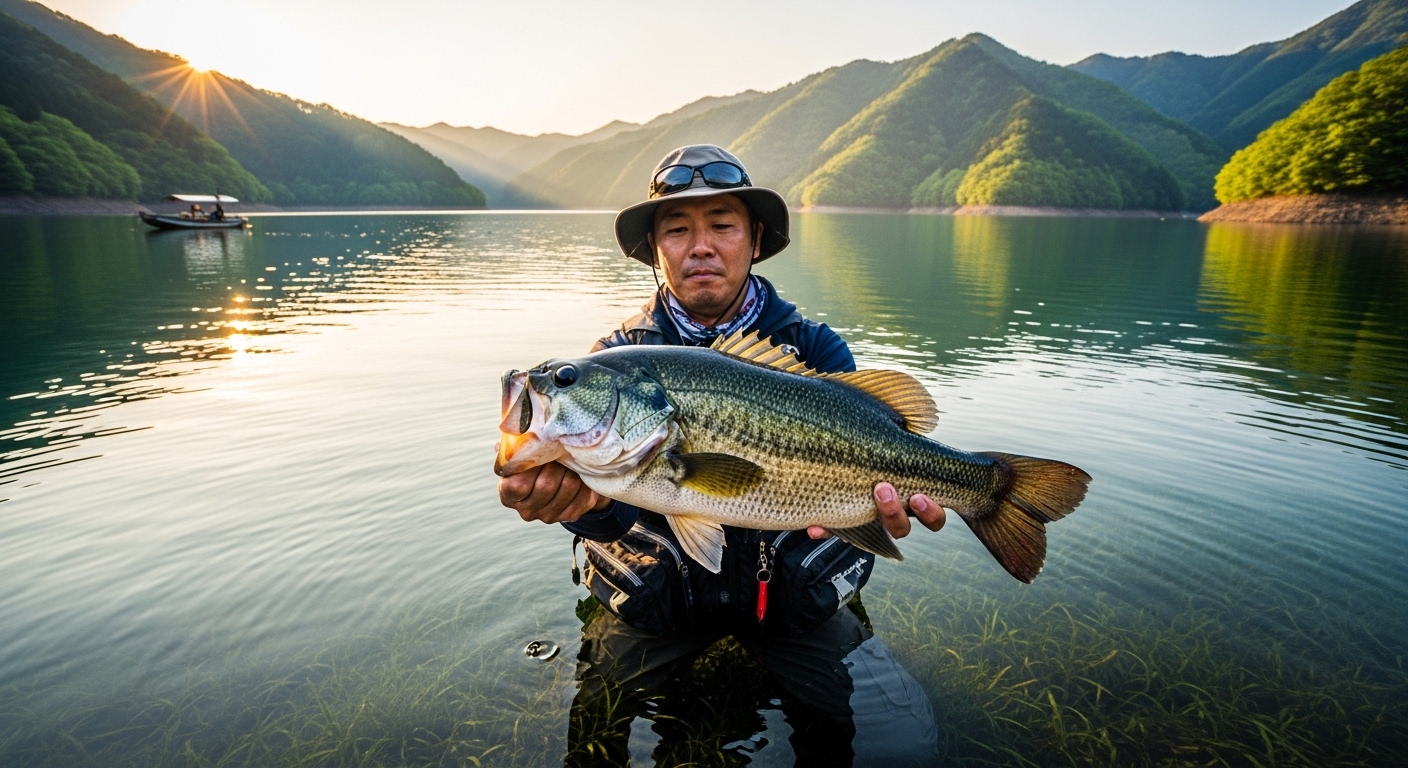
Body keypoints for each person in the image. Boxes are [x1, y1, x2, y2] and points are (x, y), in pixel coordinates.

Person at [497, 145, 947, 766]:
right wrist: (580, 508)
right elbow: (613, 509)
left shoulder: (816, 350)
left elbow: (865, 465)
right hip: (662, 604)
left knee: (893, 744)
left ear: (755, 239)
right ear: (656, 250)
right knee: (592, 737)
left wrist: (873, 513)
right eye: (677, 229)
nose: (700, 246)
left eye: (722, 225)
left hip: (791, 603)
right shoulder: (617, 353)